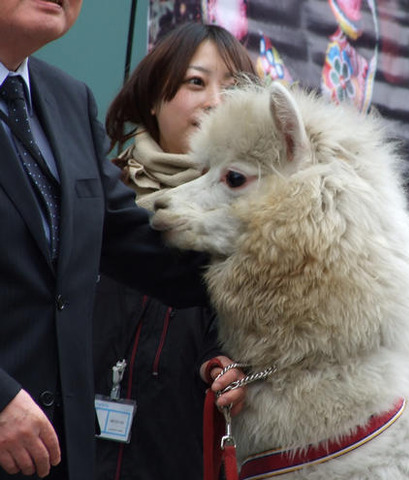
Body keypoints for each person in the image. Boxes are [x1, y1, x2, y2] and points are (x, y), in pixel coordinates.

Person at [0, 3, 243, 479]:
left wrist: (290, 265)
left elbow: (137, 244)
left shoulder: (67, 99)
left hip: (56, 457)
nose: (215, 101)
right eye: (197, 82)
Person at [92, 22, 256, 480]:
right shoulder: (96, 197)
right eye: (196, 82)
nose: (215, 101)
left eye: (233, 88)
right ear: (153, 98)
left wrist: (225, 365)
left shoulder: (257, 223)